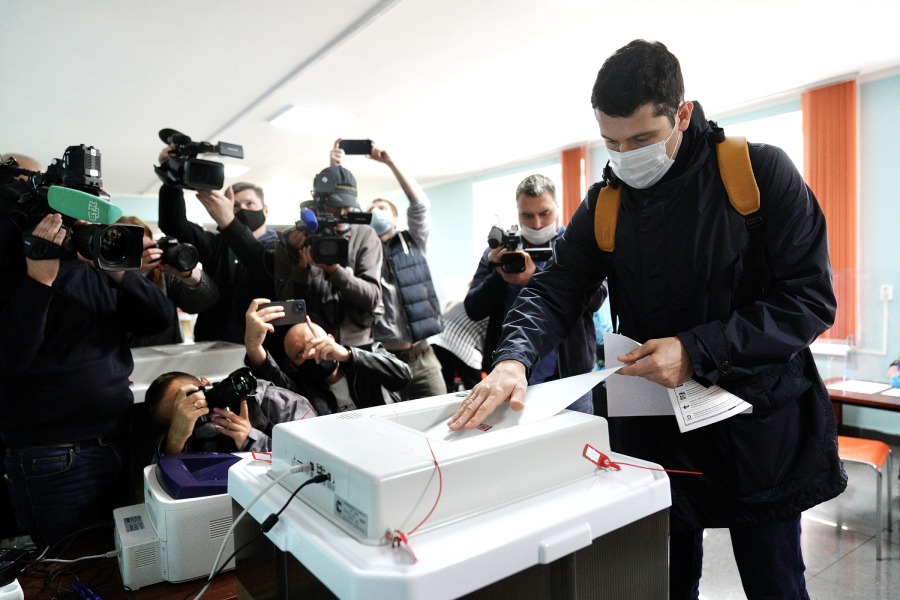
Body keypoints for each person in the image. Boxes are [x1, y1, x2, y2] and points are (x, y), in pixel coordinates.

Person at [449, 40, 847, 599]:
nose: (626, 155)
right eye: (611, 142)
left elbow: (809, 299)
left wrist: (696, 350)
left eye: (640, 140)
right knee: (661, 584)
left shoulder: (757, 173)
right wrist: (513, 358)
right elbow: (557, 287)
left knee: (774, 583)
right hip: (659, 434)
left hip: (758, 427)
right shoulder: (607, 203)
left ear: (682, 113)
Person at [0, 210, 171, 548]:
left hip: (117, 439)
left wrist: (114, 266)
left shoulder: (94, 270)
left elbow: (159, 318)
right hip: (52, 452)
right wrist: (39, 280)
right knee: (70, 563)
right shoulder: (13, 270)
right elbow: (11, 357)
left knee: (120, 557)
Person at [464, 174, 605, 414]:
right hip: (512, 376)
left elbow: (597, 298)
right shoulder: (500, 252)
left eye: (544, 213)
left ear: (557, 207)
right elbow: (473, 309)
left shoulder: (576, 246)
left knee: (578, 437)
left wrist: (533, 278)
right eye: (527, 216)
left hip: (569, 376)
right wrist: (498, 274)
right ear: (517, 213)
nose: (537, 224)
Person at [157, 146, 277, 345]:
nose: (242, 209)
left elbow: (262, 266)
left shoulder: (279, 250)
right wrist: (173, 176)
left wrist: (229, 223)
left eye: (250, 204)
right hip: (213, 343)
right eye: (235, 205)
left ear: (265, 210)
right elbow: (174, 224)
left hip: (262, 347)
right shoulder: (216, 244)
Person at [354, 141, 445, 400]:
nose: (376, 212)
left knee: (442, 416)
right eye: (371, 210)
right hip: (384, 360)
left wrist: (390, 163)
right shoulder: (360, 254)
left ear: (395, 219)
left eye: (382, 208)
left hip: (423, 357)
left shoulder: (412, 242)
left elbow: (420, 205)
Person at [274, 151, 383, 348]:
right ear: (318, 202)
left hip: (357, 346)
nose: (341, 212)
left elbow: (372, 298)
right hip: (312, 345)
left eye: (347, 206)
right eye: (334, 206)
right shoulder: (295, 238)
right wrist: (300, 267)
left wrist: (334, 271)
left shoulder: (365, 235)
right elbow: (288, 310)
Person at [244, 298, 411, 415]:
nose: (310, 353)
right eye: (299, 354)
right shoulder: (300, 390)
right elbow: (272, 375)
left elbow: (403, 375)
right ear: (294, 366)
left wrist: (348, 355)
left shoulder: (369, 355)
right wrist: (253, 346)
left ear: (331, 339)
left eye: (313, 342)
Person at [144, 371, 315, 456]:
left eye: (189, 397)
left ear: (206, 384)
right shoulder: (181, 438)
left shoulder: (273, 401)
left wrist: (252, 441)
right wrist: (177, 437)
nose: (190, 409)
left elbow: (315, 458)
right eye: (181, 415)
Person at [117, 215, 219, 346]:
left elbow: (205, 301)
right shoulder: (106, 275)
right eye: (134, 249)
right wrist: (129, 274)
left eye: (145, 248)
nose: (144, 255)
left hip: (166, 350)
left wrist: (189, 274)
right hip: (123, 350)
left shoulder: (163, 272)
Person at [429, 300, 488, 392]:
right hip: (461, 344)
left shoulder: (471, 302)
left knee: (445, 387)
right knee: (476, 390)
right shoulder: (496, 312)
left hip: (436, 338)